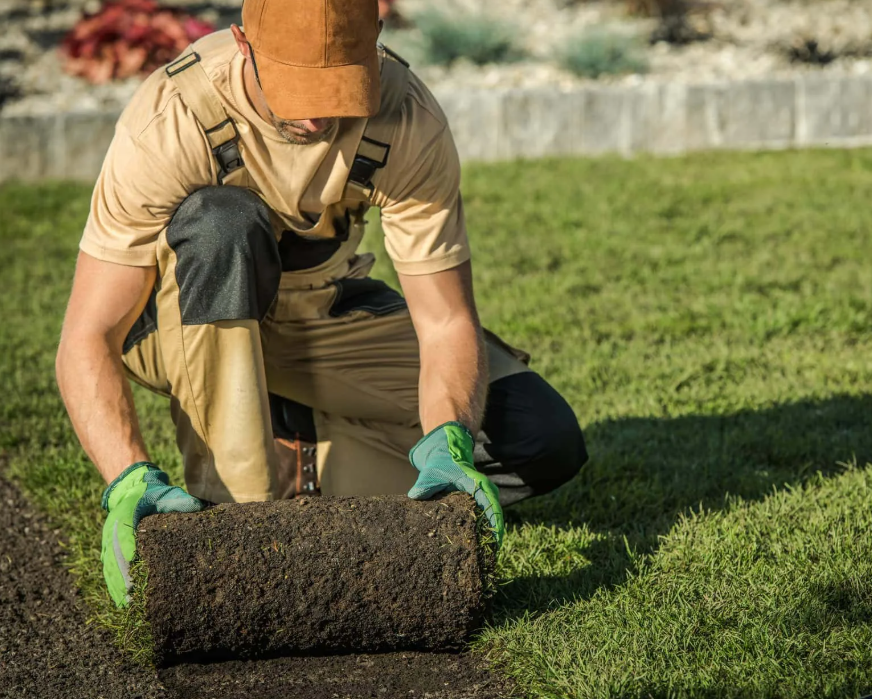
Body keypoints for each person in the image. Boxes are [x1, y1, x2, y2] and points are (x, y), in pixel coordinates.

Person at [55, 0, 588, 607]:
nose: (316, 118)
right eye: (297, 88)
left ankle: (298, 452)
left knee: (540, 439)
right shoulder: (174, 116)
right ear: (245, 44)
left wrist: (449, 441)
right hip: (182, 322)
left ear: (377, 43)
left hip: (323, 314)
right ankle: (235, 518)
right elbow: (89, 334)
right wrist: (126, 478)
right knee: (221, 223)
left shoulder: (405, 116)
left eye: (338, 89)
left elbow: (444, 321)